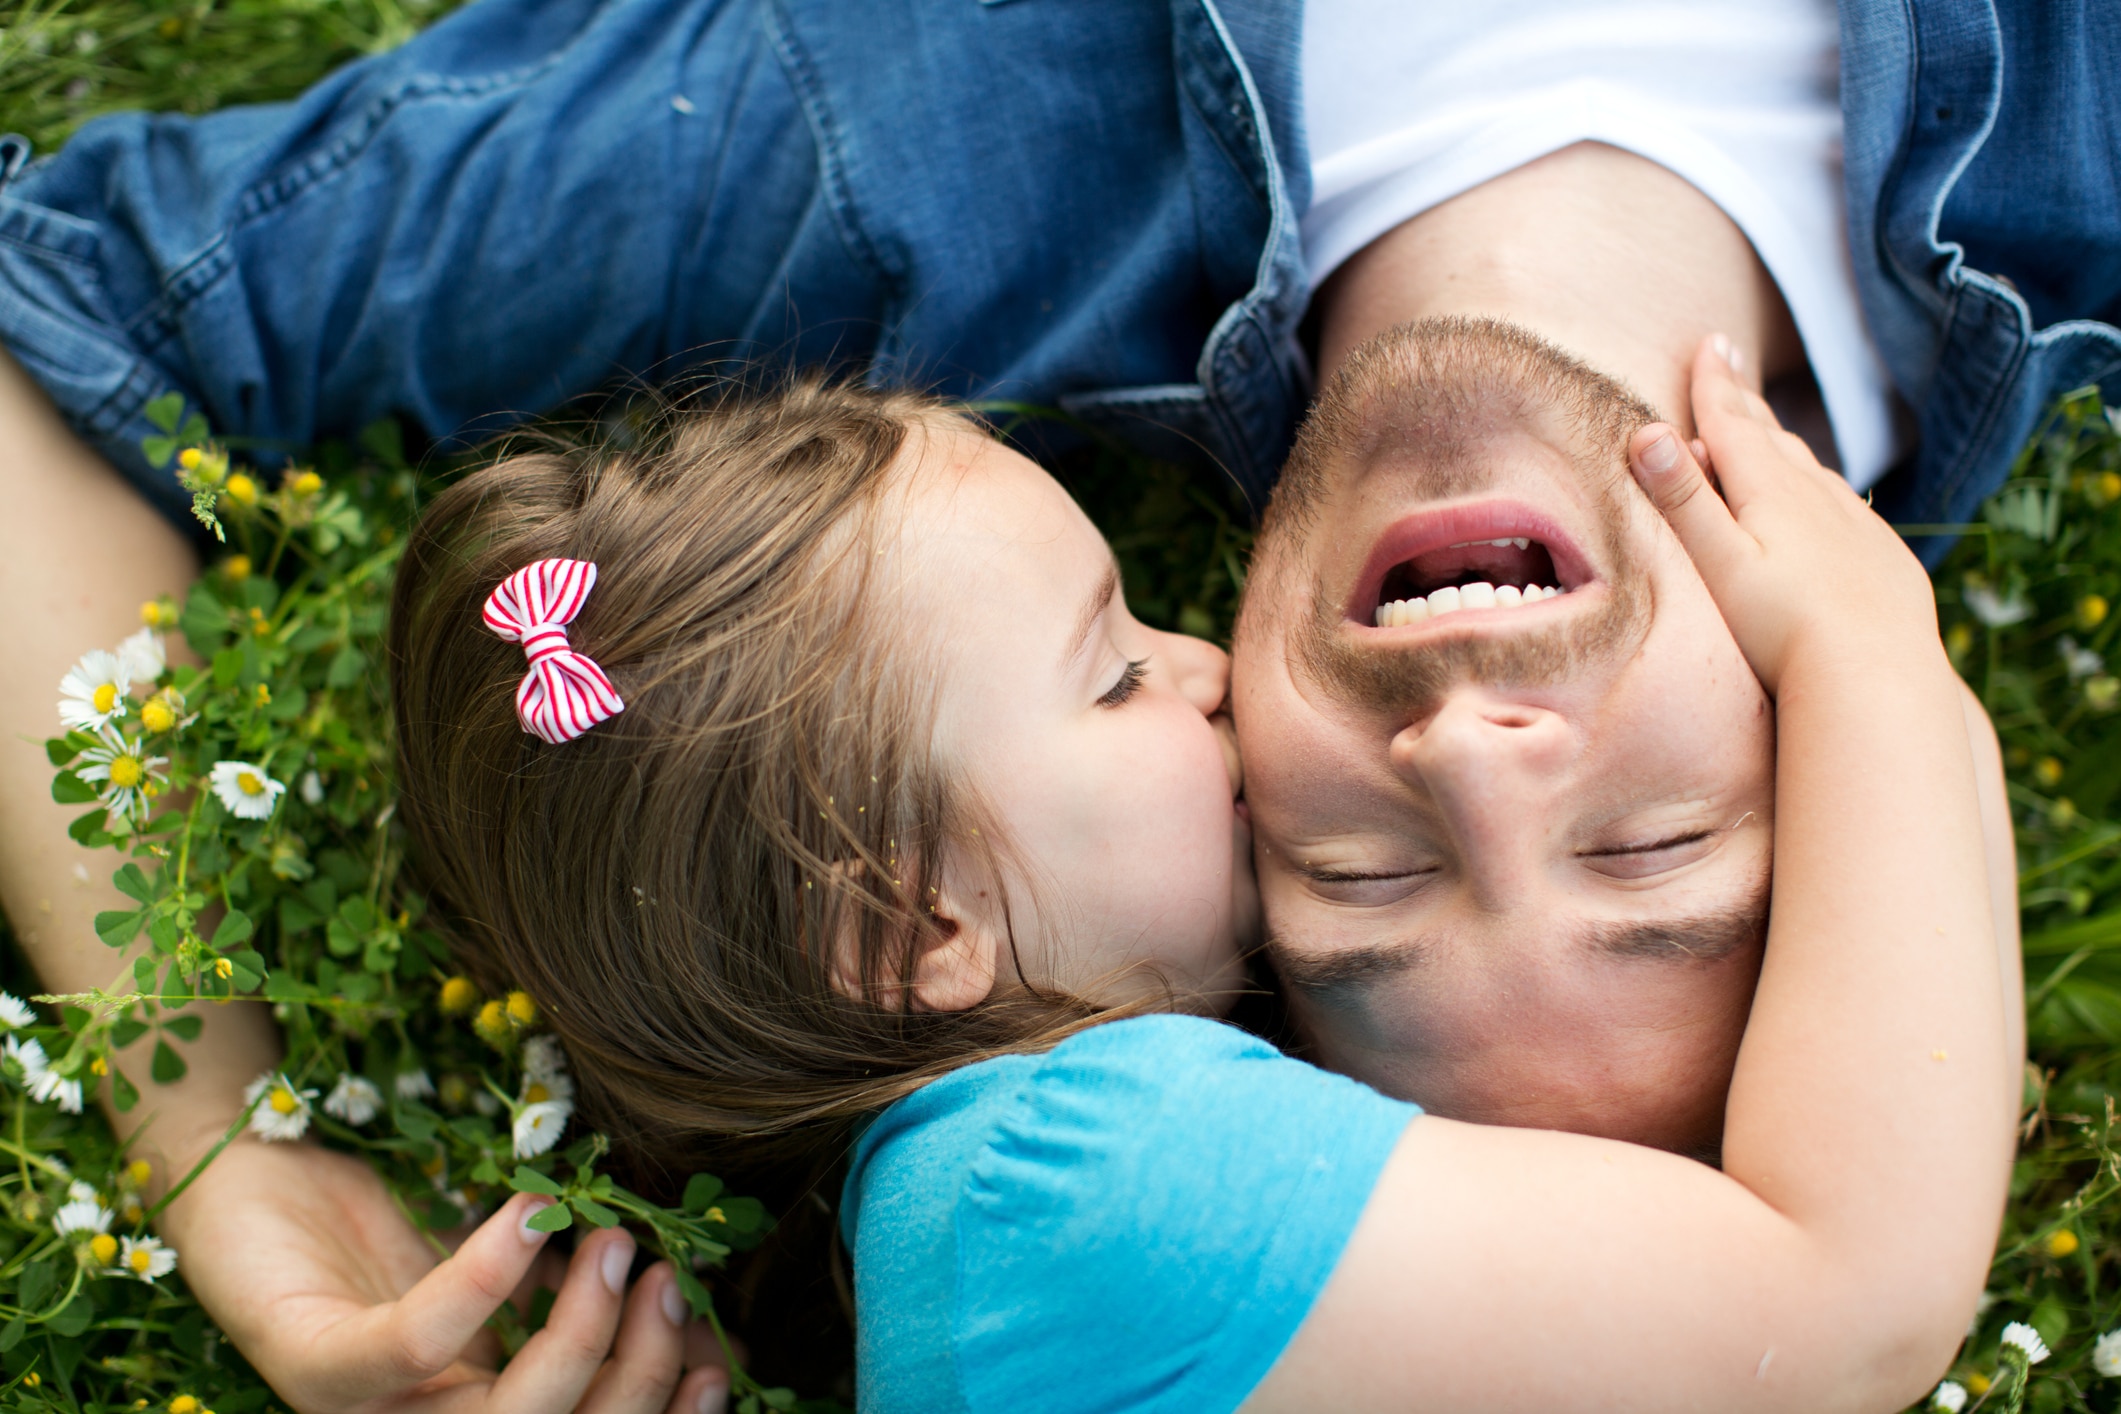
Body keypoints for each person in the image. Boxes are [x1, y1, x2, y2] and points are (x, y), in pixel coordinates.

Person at [0, 0, 2085, 1402]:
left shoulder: (875, 198)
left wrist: (230, 1151)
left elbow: (53, 306)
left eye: (1344, 870)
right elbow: (1839, 1282)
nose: (1463, 746)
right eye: (1658, 846)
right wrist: (1875, 664)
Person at [369, 342, 2009, 1412]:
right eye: (1110, 674)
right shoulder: (1073, 1180)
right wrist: (1870, 659)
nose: (1202, 666)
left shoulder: (989, 1241)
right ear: (914, 928)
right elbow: (1844, 1303)